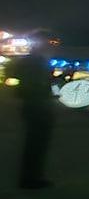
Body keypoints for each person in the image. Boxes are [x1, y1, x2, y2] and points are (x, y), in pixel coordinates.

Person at [13, 50, 55, 189]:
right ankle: (31, 178)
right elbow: (40, 84)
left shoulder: (28, 61)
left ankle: (31, 177)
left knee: (34, 144)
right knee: (37, 144)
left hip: (32, 105)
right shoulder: (37, 62)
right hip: (37, 106)